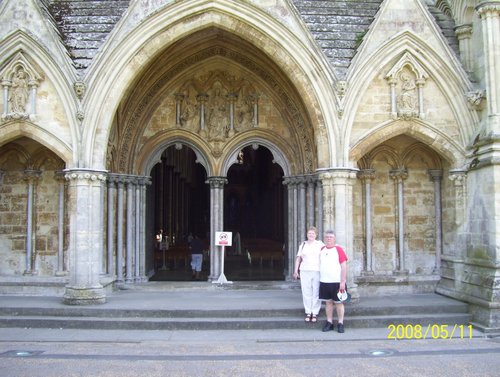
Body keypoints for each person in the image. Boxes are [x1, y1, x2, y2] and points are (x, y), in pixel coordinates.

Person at [319, 229, 348, 333]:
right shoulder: (322, 249)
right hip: (324, 281)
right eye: (327, 237)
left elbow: (344, 266)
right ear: (324, 239)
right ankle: (329, 322)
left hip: (337, 281)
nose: (328, 239)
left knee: (339, 303)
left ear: (334, 239)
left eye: (330, 237)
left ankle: (340, 323)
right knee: (328, 303)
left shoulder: (339, 250)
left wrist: (343, 281)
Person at [293, 226, 324, 323]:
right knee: (306, 292)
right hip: (304, 270)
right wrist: (295, 271)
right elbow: (298, 258)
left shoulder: (320, 244)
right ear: (307, 234)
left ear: (316, 235)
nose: (311, 235)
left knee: (316, 292)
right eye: (309, 233)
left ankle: (314, 312)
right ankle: (308, 311)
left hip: (317, 270)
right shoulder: (303, 244)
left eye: (313, 233)